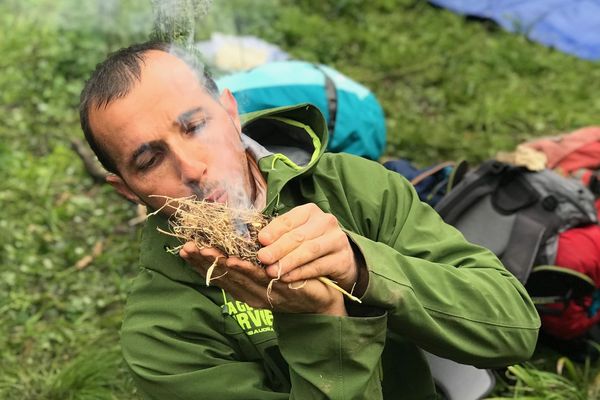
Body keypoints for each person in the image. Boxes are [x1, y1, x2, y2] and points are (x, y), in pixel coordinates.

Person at [79, 41, 540, 399]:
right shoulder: (161, 336)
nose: (193, 169)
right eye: (149, 159)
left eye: (195, 125)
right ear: (127, 189)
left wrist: (362, 269)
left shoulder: (355, 188)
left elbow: (515, 329)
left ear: (229, 110)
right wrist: (320, 321)